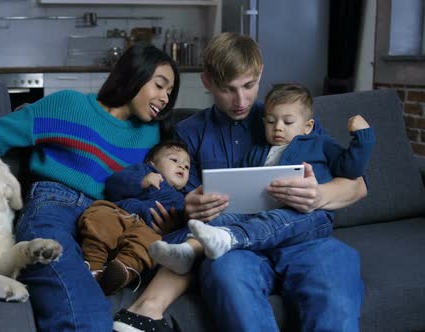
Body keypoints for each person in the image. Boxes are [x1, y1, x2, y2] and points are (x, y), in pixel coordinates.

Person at [113, 32, 367, 332]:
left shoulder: (285, 116)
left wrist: (319, 194)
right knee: (225, 275)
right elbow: (176, 204)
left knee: (335, 275)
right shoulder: (188, 133)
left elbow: (358, 185)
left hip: (304, 241)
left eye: (249, 86)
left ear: (260, 74)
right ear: (207, 82)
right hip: (234, 251)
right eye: (227, 89)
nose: (241, 100)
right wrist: (189, 209)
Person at [0, 44, 180, 331]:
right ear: (134, 75)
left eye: (170, 93)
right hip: (54, 205)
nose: (165, 98)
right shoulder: (68, 105)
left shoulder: (152, 135)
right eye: (160, 86)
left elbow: (160, 186)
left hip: (109, 220)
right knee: (78, 300)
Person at [149, 83, 375, 275]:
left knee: (275, 219)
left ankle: (230, 239)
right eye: (270, 121)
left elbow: (351, 169)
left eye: (287, 122)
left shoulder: (319, 144)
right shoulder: (258, 150)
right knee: (217, 222)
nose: (277, 128)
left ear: (308, 126)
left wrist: (362, 138)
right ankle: (184, 251)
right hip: (258, 213)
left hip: (306, 214)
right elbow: (240, 180)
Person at [78, 140, 190, 295]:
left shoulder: (181, 199)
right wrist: (141, 182)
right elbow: (113, 184)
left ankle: (122, 271)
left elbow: (181, 221)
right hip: (119, 213)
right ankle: (93, 266)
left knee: (150, 244)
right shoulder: (142, 170)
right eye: (174, 160)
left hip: (145, 228)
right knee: (100, 218)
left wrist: (175, 222)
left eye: (186, 166)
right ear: (152, 163)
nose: (181, 166)